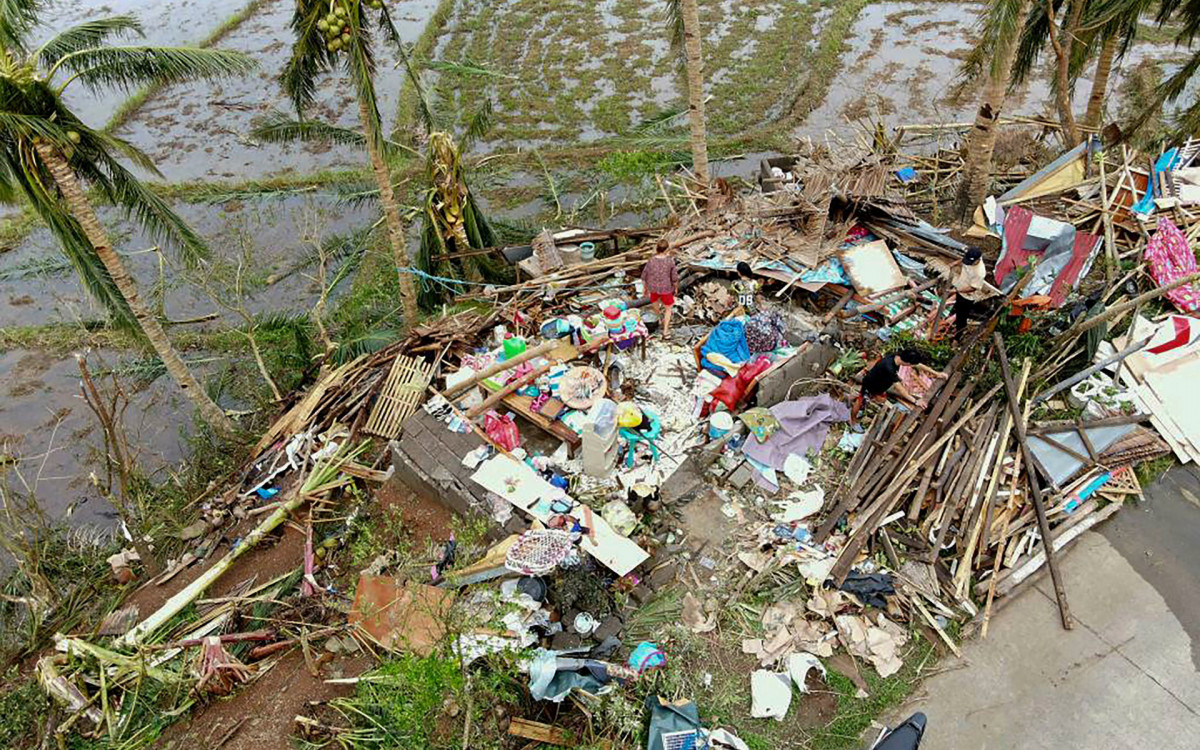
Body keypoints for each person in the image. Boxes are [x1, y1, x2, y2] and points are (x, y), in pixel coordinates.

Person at [850, 348, 940, 424]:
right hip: (871, 384)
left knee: (880, 399)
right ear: (908, 363)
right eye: (911, 365)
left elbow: (918, 365)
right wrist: (916, 402)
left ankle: (855, 398)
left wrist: (936, 373)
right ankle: (853, 420)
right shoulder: (889, 368)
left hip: (881, 383)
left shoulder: (897, 356)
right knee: (860, 401)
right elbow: (900, 389)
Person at [951, 247, 1000, 340]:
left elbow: (973, 288)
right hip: (960, 287)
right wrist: (955, 263)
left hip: (967, 296)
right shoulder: (970, 258)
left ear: (978, 260)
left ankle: (958, 337)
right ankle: (953, 322)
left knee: (962, 317)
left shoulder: (979, 272)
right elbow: (964, 259)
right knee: (957, 309)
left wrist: (958, 291)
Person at [641, 239, 679, 336]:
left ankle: (658, 320)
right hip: (666, 288)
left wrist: (644, 289)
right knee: (668, 309)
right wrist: (676, 288)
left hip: (653, 288)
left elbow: (644, 275)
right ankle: (665, 331)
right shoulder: (670, 261)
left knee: (655, 306)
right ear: (667, 249)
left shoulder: (651, 260)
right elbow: (674, 278)